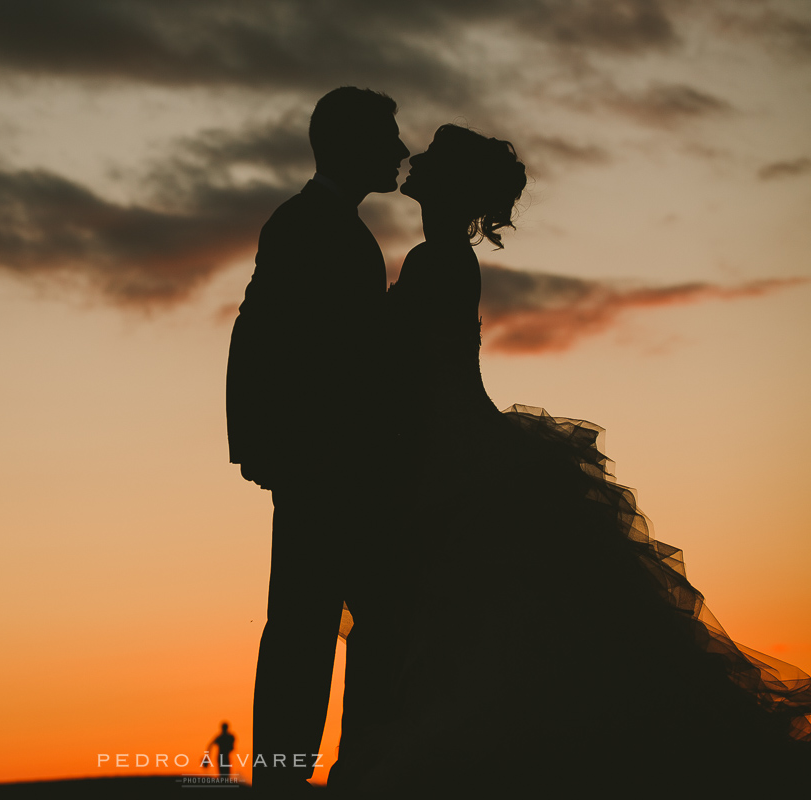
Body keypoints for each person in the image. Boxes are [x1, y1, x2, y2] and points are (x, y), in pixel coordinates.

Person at [327, 123, 811, 794]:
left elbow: (398, 361)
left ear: (449, 185)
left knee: (456, 620)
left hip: (450, 448)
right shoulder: (443, 259)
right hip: (461, 437)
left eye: (431, 160)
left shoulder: (434, 262)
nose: (416, 163)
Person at [225, 85, 409, 794]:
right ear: (351, 144)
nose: (398, 151)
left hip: (336, 465)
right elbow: (262, 335)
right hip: (325, 467)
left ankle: (339, 768)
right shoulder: (307, 223)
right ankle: (298, 774)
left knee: (338, 623)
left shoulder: (327, 224)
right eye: (386, 137)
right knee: (311, 627)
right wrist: (268, 450)